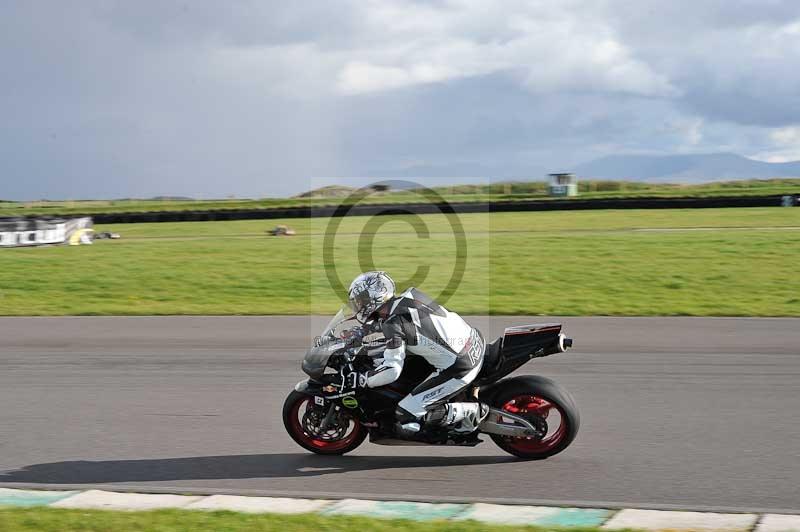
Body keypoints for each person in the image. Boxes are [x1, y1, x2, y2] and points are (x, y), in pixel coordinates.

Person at [344, 271, 488, 436]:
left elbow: (392, 371)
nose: (358, 305)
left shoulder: (394, 324)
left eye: (361, 300)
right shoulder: (409, 296)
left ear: (374, 299)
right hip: (474, 341)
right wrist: (364, 331)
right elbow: (408, 324)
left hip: (461, 366)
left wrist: (364, 379)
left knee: (406, 412)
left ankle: (472, 412)